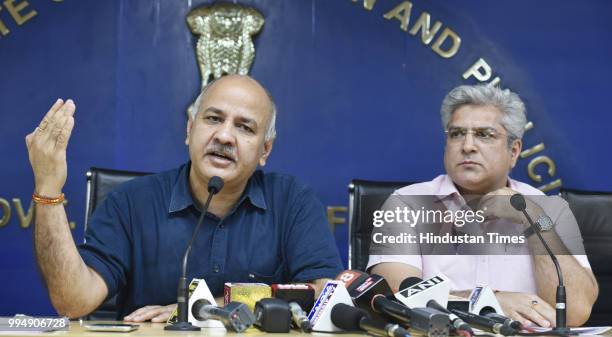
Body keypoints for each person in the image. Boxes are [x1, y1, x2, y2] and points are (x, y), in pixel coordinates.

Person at [26, 75, 343, 321]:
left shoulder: (292, 202)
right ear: (190, 130)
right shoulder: (130, 203)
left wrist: (204, 309)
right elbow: (72, 300)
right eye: (213, 119)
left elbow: (322, 292)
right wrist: (48, 187)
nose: (224, 136)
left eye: (244, 127)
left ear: (265, 150)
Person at [368, 85, 598, 327]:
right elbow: (396, 301)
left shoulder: (548, 209)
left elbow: (574, 311)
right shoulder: (406, 204)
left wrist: (534, 219)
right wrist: (489, 303)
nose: (467, 146)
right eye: (456, 134)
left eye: (484, 134)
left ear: (514, 150)